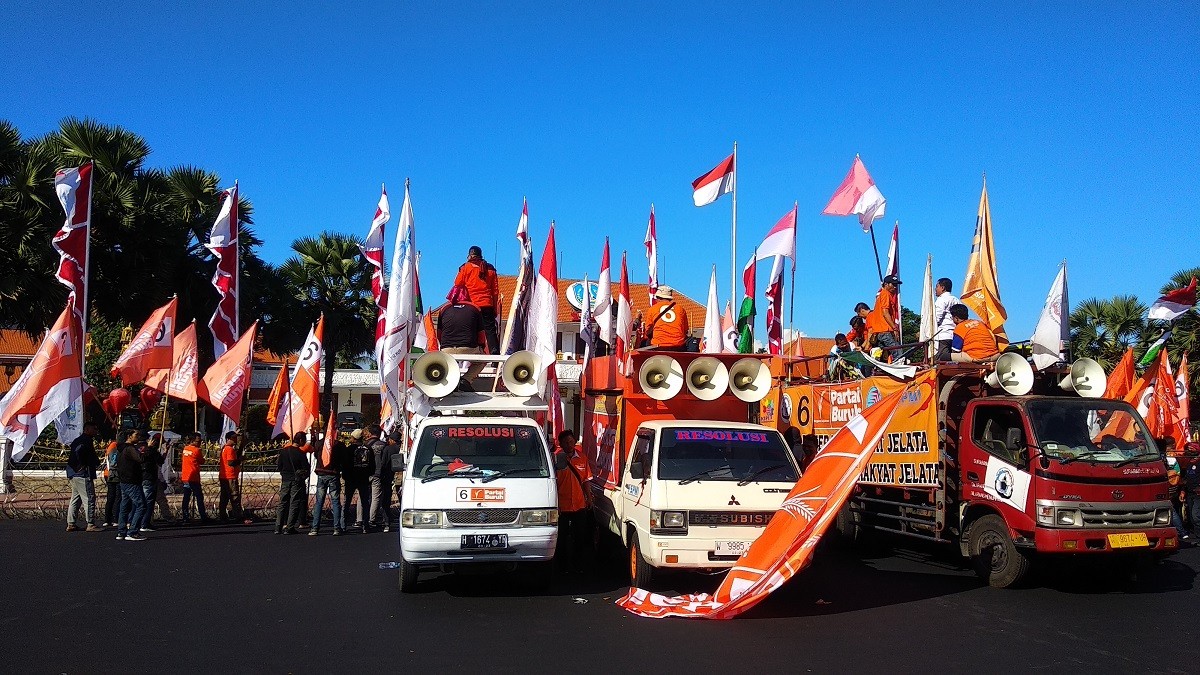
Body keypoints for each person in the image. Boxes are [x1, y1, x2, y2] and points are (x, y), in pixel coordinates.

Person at [554, 429, 592, 573]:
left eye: (571, 441)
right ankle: (562, 568)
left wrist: (589, 498)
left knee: (579, 537)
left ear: (575, 441)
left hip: (579, 504)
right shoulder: (556, 459)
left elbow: (586, 480)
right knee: (561, 538)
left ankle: (579, 566)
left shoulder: (582, 458)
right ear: (561, 444)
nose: (569, 445)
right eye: (566, 442)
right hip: (562, 506)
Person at [452, 245, 502, 354]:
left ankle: (474, 352)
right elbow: (495, 291)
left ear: (470, 255)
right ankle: (494, 352)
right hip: (487, 304)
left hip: (472, 305)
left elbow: (457, 285)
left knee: (471, 330)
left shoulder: (465, 268)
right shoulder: (491, 269)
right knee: (490, 330)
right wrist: (494, 308)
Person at [438, 284, 487, 385]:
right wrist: (481, 347)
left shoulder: (444, 309)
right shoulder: (474, 308)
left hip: (447, 349)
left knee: (449, 364)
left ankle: (451, 382)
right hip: (469, 348)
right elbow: (481, 334)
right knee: (483, 360)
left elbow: (439, 333)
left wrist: (444, 345)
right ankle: (466, 380)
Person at [65, 421, 103, 532]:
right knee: (89, 498)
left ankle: (71, 523)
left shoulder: (79, 440)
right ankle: (90, 523)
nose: (95, 431)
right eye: (94, 429)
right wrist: (81, 465)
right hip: (83, 473)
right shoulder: (85, 441)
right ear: (87, 429)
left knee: (76, 498)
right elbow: (79, 452)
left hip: (74, 473)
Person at [310, 430, 344, 536]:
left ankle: (315, 528)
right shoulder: (339, 445)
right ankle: (337, 528)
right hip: (333, 474)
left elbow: (316, 455)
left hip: (322, 473)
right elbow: (343, 459)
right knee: (335, 501)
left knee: (319, 501)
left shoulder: (319, 443)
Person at [275, 432, 310, 535]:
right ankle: (290, 527)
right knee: (294, 502)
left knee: (283, 502)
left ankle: (278, 526)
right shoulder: (300, 453)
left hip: (285, 479)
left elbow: (279, 465)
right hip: (296, 480)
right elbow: (306, 468)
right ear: (300, 440)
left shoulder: (284, 451)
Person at [115, 433, 147, 541]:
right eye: (136, 435)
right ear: (129, 436)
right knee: (141, 505)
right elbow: (140, 458)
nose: (138, 437)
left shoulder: (120, 449)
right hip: (132, 481)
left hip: (124, 481)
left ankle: (121, 531)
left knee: (125, 506)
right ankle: (132, 531)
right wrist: (147, 449)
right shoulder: (130, 449)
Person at [138, 432, 170, 531]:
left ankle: (147, 520)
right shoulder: (150, 451)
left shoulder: (140, 449)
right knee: (154, 501)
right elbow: (159, 463)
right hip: (151, 479)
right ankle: (146, 522)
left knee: (148, 501)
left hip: (146, 478)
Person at [343, 429, 374, 532]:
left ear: (354, 438)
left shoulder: (349, 450)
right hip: (363, 478)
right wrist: (368, 474)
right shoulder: (368, 449)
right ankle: (366, 525)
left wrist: (345, 476)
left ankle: (343, 525)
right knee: (365, 502)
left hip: (351, 478)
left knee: (347, 501)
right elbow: (372, 465)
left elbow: (345, 465)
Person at [865, 275, 902, 355]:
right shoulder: (885, 293)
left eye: (896, 285)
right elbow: (885, 313)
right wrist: (895, 328)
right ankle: (897, 367)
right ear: (886, 284)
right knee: (898, 353)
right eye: (893, 284)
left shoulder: (883, 294)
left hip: (879, 332)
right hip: (885, 330)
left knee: (881, 357)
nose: (895, 287)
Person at [179, 433, 211, 524]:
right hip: (193, 477)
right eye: (198, 441)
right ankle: (203, 516)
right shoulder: (197, 450)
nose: (200, 443)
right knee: (199, 497)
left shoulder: (185, 449)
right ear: (192, 441)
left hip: (185, 476)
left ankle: (185, 517)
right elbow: (202, 461)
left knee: (186, 498)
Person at [365, 425, 390, 532]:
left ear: (370, 433)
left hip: (365, 473)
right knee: (376, 497)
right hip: (378, 473)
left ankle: (360, 519)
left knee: (363, 496)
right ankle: (372, 519)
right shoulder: (384, 445)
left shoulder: (365, 444)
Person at [217, 431, 245, 522]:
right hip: (230, 476)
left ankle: (223, 516)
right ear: (228, 439)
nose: (235, 439)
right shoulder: (229, 449)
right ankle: (238, 516)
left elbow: (235, 457)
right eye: (233, 438)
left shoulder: (224, 448)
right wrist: (240, 460)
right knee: (234, 496)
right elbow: (231, 462)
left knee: (224, 497)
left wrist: (241, 445)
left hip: (224, 476)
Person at [932, 277, 960, 362]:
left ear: (942, 288)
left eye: (937, 286)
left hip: (942, 335)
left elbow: (936, 318)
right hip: (955, 335)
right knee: (953, 361)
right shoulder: (956, 300)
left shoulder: (941, 299)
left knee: (941, 361)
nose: (935, 289)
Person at [102, 435, 122, 527]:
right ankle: (115, 518)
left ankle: (108, 519)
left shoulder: (111, 446)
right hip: (115, 473)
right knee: (117, 497)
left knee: (111, 497)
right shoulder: (116, 446)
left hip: (109, 474)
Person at [1183, 443, 1200, 535]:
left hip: (1198, 494)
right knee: (1190, 515)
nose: (1189, 451)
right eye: (1188, 449)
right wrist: (1182, 490)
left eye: (1192, 449)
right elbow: (1186, 477)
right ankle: (1196, 536)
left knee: (1196, 515)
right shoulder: (1188, 462)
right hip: (1189, 492)